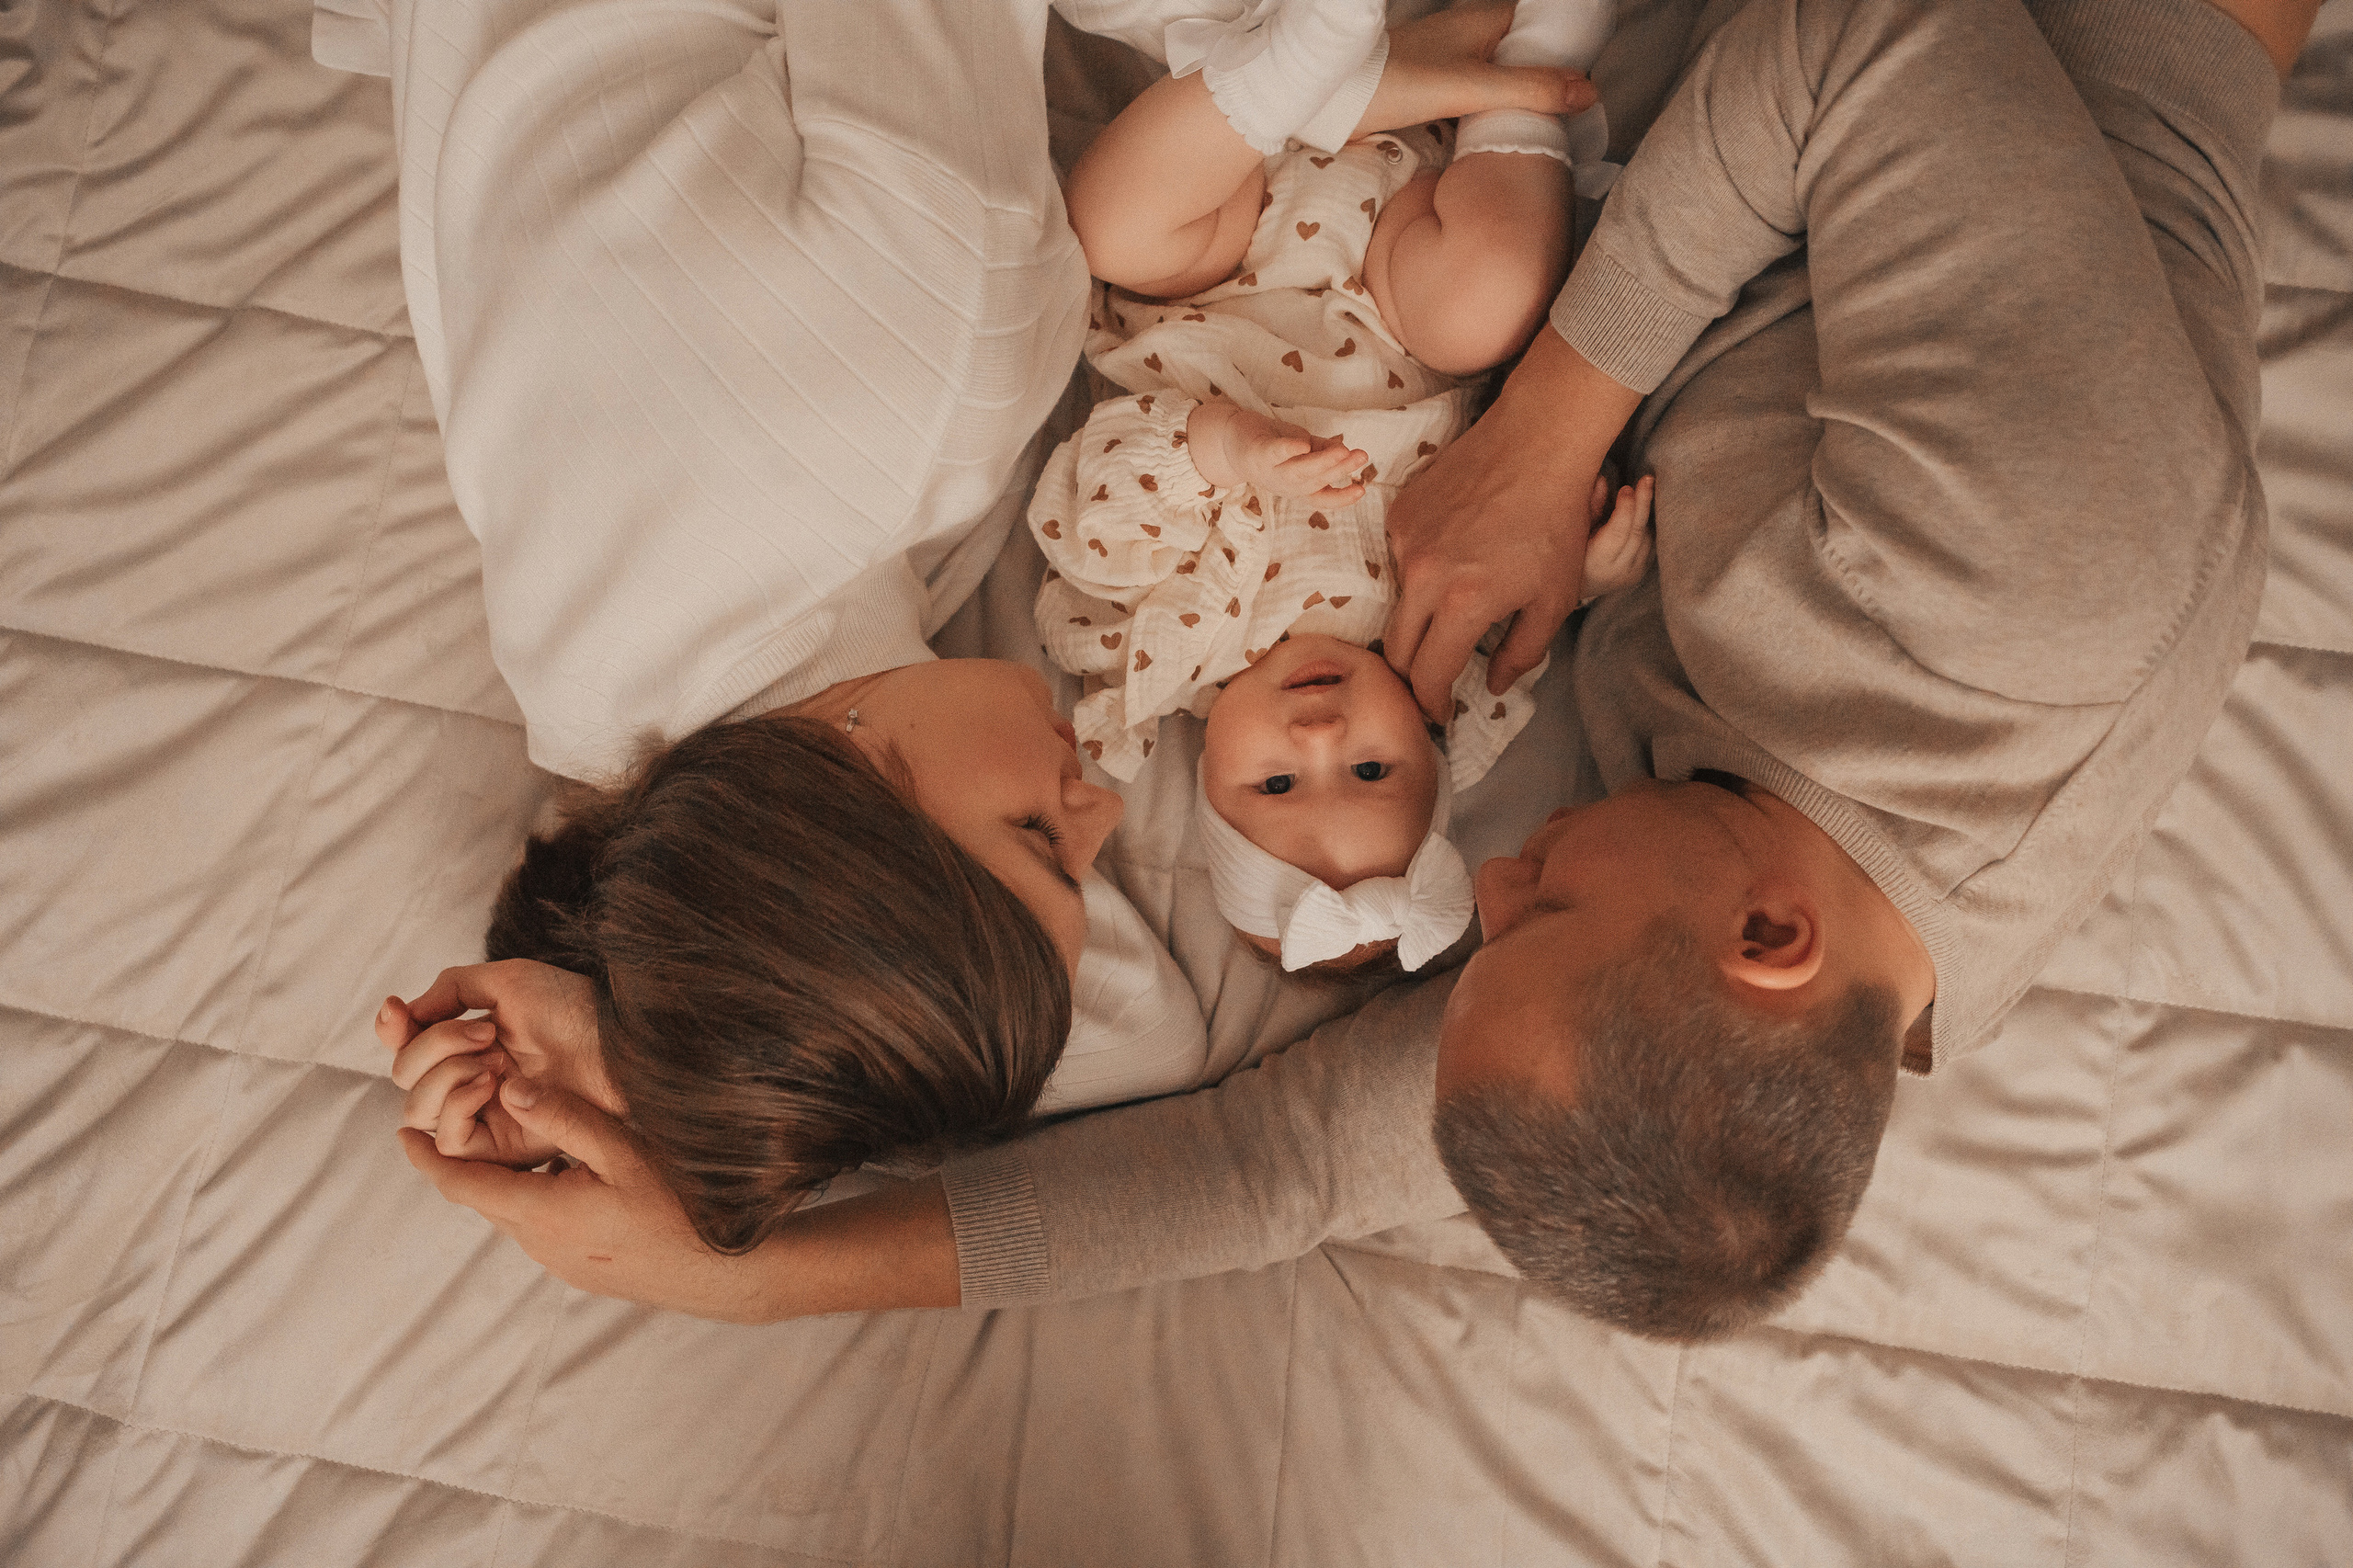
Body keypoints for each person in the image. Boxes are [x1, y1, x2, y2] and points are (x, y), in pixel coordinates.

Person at [391, 0, 2315, 1338]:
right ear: (1767, 940)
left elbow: (1274, 1176)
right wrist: (1539, 439)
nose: (1489, 876)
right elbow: (1873, 47)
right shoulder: (2027, 597)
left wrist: (729, 1264)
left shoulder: (1697, 1028)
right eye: (1537, 909)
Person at [345, 0, 1594, 1250]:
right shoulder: (605, 698)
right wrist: (631, 1073)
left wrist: (1313, 79)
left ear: (850, 804)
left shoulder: (947, 350)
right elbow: (1119, 1026)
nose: (1105, 803)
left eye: (1045, 835)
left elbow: (1138, 1027)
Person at [1030, 0, 1649, 974]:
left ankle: (1294, 76)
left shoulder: (1162, 656)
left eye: (1275, 784)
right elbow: (1520, 614)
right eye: (1370, 769)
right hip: (1397, 277)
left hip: (1215, 270)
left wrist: (1219, 452)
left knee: (1108, 228)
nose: (1319, 733)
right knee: (1489, 306)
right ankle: (1526, 75)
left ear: (1206, 788)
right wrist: (1591, 565)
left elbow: (1090, 507)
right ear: (1429, 746)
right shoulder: (1430, 644)